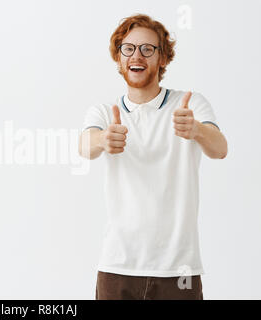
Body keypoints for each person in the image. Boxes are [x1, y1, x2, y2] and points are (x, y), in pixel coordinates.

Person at [78, 14, 228, 300]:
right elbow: (84, 146)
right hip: (117, 266)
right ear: (119, 58)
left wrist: (195, 129)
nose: (138, 55)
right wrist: (103, 139)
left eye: (148, 49)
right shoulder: (103, 113)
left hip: (179, 269)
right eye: (129, 48)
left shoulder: (191, 104)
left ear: (163, 59)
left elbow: (220, 149)